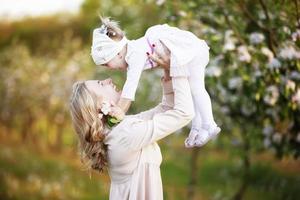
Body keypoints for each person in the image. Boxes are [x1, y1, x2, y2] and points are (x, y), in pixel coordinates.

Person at [69, 47, 194, 199]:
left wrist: (168, 72)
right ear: (99, 106)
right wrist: (178, 68)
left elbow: (167, 109)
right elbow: (184, 113)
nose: (108, 80)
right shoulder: (125, 134)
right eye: (101, 84)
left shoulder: (117, 128)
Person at [90, 17, 220, 147]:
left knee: (197, 90)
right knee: (193, 91)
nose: (110, 69)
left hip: (191, 52)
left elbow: (130, 87)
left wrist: (119, 111)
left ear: (118, 53)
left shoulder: (134, 53)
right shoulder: (134, 52)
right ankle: (197, 127)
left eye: (107, 64)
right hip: (186, 55)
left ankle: (209, 124)